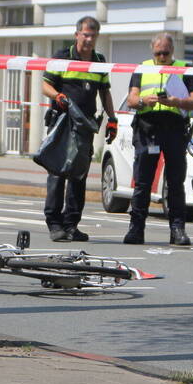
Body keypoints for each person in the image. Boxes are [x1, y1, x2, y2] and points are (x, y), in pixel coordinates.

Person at [41, 16, 118, 242]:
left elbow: (104, 92)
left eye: (93, 36)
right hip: (63, 123)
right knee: (57, 171)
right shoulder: (62, 57)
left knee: (79, 174)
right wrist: (58, 96)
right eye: (85, 34)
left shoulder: (99, 61)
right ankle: (55, 224)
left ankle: (71, 224)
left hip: (85, 125)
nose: (89, 39)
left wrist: (112, 119)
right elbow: (45, 86)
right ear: (77, 35)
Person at [123, 33, 193, 246]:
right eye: (158, 53)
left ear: (172, 51)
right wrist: (142, 101)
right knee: (143, 182)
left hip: (174, 129)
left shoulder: (185, 68)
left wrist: (177, 101)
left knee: (176, 182)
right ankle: (136, 229)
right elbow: (131, 99)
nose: (162, 57)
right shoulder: (143, 68)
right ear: (152, 51)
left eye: (166, 53)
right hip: (147, 129)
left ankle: (177, 230)